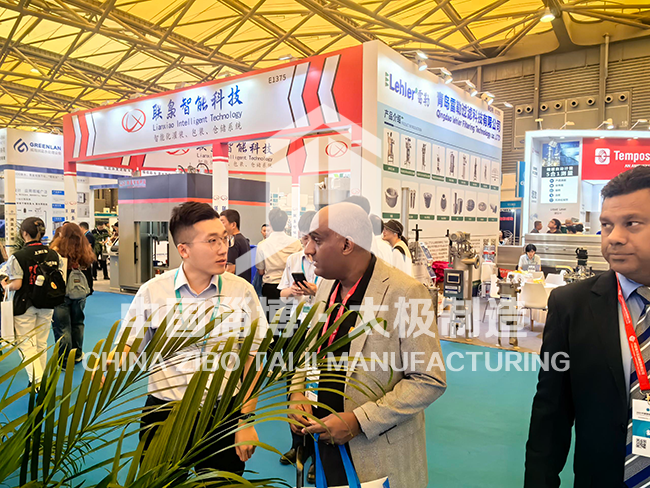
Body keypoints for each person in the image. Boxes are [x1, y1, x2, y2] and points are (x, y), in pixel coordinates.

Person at [289, 203, 446, 487]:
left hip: (376, 454)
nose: (308, 250)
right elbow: (311, 349)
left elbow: (429, 379)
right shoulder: (326, 286)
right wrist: (298, 392)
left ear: (347, 244)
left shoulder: (406, 293)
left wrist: (359, 421)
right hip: (325, 446)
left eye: (317, 240)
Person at [116, 202, 268, 475]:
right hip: (165, 415)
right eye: (212, 241)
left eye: (224, 238)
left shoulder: (241, 292)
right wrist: (113, 361)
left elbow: (252, 358)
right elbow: (130, 346)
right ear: (183, 250)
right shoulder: (153, 292)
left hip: (222, 415)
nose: (223, 249)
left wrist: (246, 419)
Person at [525, 166, 650, 487]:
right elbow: (551, 412)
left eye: (632, 223)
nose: (614, 237)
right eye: (607, 225)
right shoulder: (572, 305)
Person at [276, 210, 319, 481]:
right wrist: (291, 291)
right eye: (303, 239)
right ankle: (297, 446)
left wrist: (315, 291)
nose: (307, 245)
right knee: (292, 387)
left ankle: (317, 453)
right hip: (295, 327)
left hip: (319, 329)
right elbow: (280, 293)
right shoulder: (294, 259)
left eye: (311, 238)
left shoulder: (329, 262)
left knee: (317, 390)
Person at [2, 217, 65, 386]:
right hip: (48, 303)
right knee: (41, 343)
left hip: (25, 305)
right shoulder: (54, 254)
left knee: (26, 344)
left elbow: (17, 284)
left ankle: (38, 382)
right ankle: (38, 381)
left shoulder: (18, 256)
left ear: (24, 233)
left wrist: (5, 285)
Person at [50, 223, 95, 365]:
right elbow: (88, 270)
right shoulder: (85, 249)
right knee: (78, 323)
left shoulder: (57, 250)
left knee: (62, 326)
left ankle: (64, 360)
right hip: (79, 292)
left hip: (61, 293)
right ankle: (77, 354)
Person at [256, 208, 302, 323]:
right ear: (286, 223)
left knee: (271, 325)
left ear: (270, 223)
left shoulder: (262, 245)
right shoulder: (296, 243)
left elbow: (260, 271)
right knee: (288, 323)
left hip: (270, 287)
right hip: (290, 288)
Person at [220, 209, 251, 283]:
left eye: (222, 222)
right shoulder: (243, 239)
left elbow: (230, 270)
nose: (220, 225)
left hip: (235, 284)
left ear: (233, 225)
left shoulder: (233, 241)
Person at [79, 222, 95, 295]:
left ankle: (89, 288)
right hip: (86, 256)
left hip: (87, 256)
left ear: (82, 228)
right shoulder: (86, 235)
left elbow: (88, 247)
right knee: (87, 273)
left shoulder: (89, 236)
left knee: (87, 273)